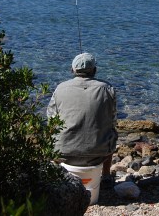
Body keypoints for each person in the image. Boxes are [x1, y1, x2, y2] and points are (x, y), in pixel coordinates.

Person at [47, 53, 118, 187]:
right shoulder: (108, 89)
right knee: (111, 131)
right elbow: (112, 120)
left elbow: (51, 119)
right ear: (95, 70)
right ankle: (106, 176)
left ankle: (56, 176)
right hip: (99, 152)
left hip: (63, 152)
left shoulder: (60, 88)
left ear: (72, 70)